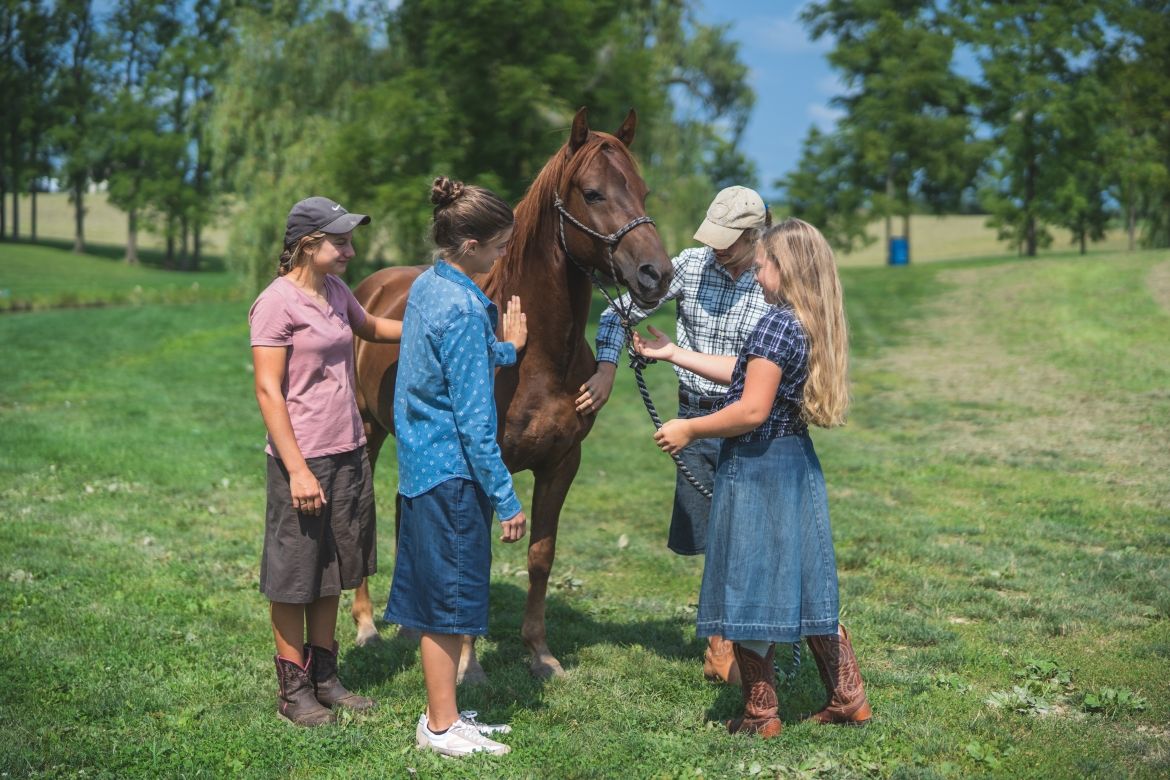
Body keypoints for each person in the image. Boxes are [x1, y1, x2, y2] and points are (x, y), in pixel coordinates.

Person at [634, 217, 872, 738]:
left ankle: (759, 714)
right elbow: (749, 370)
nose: (756, 273)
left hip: (757, 465)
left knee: (747, 584)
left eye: (761, 264)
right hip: (794, 465)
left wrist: (689, 428)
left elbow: (750, 409)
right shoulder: (805, 322)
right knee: (805, 581)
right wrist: (674, 352)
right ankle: (848, 696)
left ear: (783, 269)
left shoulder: (772, 323)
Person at [578, 185, 771, 685]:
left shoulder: (773, 279)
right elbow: (618, 313)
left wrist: (671, 354)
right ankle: (723, 644)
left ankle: (736, 646)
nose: (718, 248)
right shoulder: (692, 265)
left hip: (749, 420)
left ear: (756, 233)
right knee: (711, 538)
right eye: (714, 237)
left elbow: (755, 372)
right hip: (695, 418)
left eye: (729, 239)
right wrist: (606, 367)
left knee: (746, 538)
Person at [384, 176, 528, 758]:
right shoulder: (467, 309)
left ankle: (446, 715)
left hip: (420, 466)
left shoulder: (428, 285)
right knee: (447, 603)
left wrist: (505, 349)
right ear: (469, 243)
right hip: (453, 476)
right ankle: (439, 728)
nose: (501, 257)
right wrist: (508, 497)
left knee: (437, 598)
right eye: (498, 247)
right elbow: (474, 421)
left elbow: (439, 364)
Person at [250, 196, 404, 726]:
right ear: (308, 244)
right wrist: (296, 469)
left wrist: (432, 326)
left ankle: (325, 679)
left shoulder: (336, 292)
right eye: (340, 241)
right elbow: (269, 392)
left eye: (350, 240)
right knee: (296, 576)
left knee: (335, 570)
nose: (350, 250)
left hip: (349, 450)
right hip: (304, 457)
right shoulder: (276, 303)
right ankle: (293, 693)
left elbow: (374, 330)